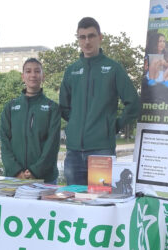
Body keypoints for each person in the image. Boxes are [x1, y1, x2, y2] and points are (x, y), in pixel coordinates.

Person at [59, 17, 140, 185]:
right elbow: (64, 107)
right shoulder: (71, 70)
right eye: (82, 37)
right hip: (74, 152)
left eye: (91, 36)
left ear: (100, 37)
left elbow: (133, 103)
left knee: (100, 203)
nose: (87, 41)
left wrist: (113, 125)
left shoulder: (113, 68)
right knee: (74, 205)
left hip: (102, 150)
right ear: (78, 39)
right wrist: (75, 124)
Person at [0, 58, 60, 184]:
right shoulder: (10, 107)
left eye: (37, 71)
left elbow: (52, 144)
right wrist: (17, 171)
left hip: (45, 178)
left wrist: (35, 171)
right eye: (28, 71)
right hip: (14, 177)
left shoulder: (51, 107)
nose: (33, 75)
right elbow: (4, 142)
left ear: (43, 76)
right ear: (23, 76)